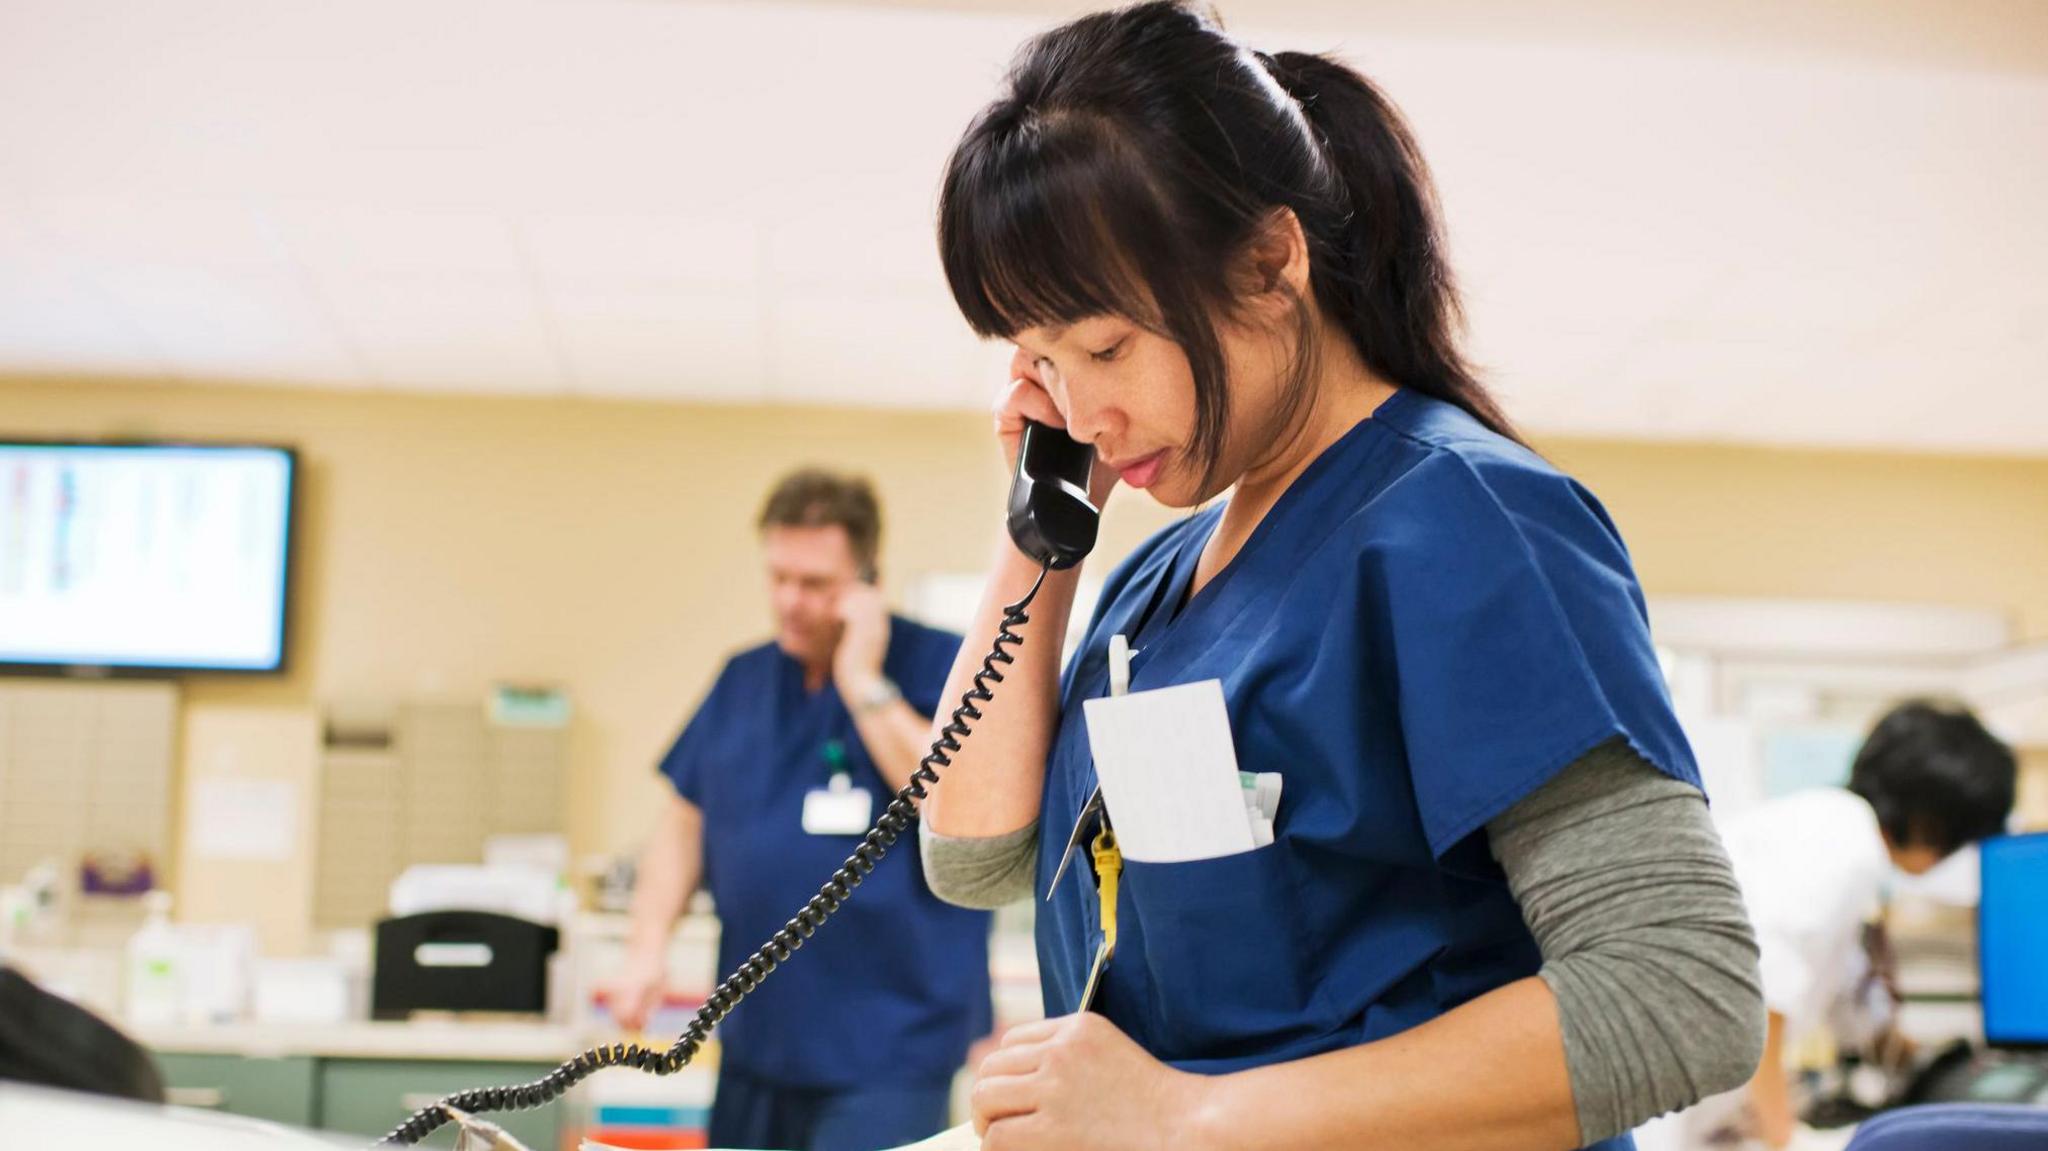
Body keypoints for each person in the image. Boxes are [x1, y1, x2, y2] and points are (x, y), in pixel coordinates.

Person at [915, 5, 1767, 1150]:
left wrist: (1188, 1115)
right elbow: (973, 856)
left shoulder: (1461, 522)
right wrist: (1040, 532)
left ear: (1270, 264)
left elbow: (1678, 992)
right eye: (1041, 362)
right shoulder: (1155, 587)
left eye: (1106, 347)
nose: (1081, 413)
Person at [609, 469, 989, 1151]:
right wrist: (646, 948)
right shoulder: (743, 678)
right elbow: (684, 821)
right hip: (759, 1042)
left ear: (867, 579)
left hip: (891, 1053)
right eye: (778, 577)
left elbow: (956, 804)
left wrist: (861, 678)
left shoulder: (939, 663)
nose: (789, 600)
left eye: (815, 584)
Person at [1640, 701, 2018, 1151]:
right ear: (1935, 824)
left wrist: (1922, 1054)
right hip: (1663, 1114)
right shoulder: (1842, 845)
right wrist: (1785, 1139)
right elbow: (1759, 1003)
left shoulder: (1832, 830)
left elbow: (1847, 998)